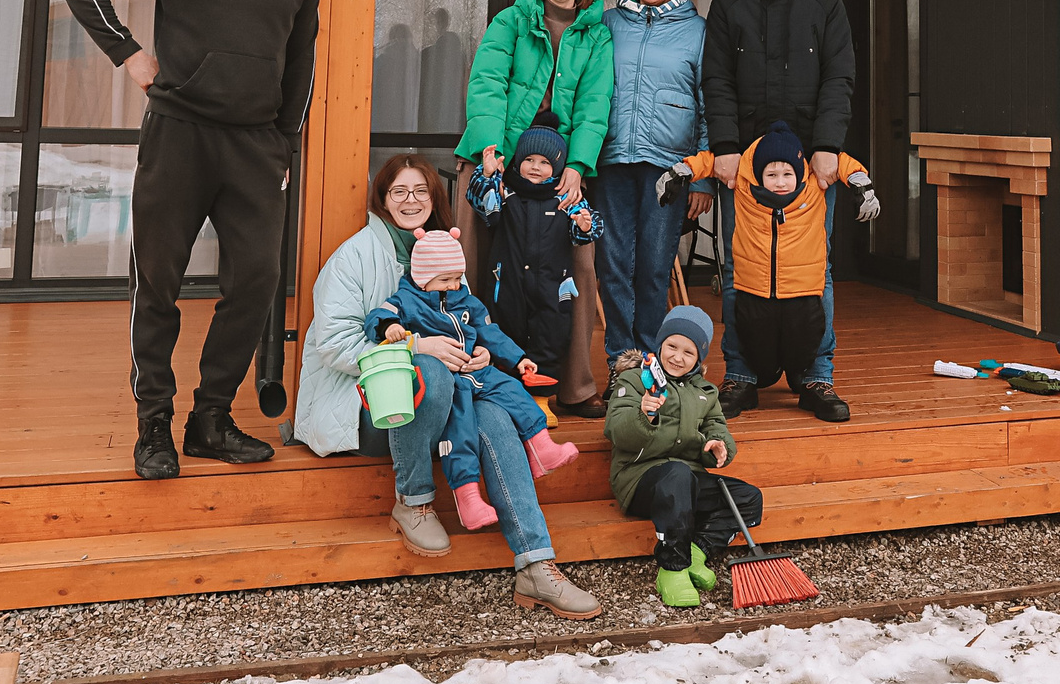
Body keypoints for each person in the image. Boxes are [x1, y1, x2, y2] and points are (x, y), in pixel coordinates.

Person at [63, 0, 320, 481]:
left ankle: (210, 419)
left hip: (256, 145)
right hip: (179, 135)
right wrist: (129, 55)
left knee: (257, 281)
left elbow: (301, 58)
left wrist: (285, 143)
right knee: (158, 283)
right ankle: (154, 425)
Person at [296, 155, 602, 619]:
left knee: (496, 413)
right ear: (382, 199)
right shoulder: (354, 257)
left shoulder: (441, 252)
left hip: (449, 399)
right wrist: (421, 347)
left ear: (435, 200)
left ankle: (536, 563)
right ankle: (413, 501)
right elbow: (334, 345)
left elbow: (469, 325)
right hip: (370, 404)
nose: (411, 200)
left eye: (421, 191)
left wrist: (478, 353)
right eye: (399, 191)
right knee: (432, 372)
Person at [700, 0, 855, 417]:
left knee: (818, 270)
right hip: (741, 164)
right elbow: (716, 80)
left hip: (811, 166)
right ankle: (741, 373)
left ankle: (816, 377)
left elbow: (839, 78)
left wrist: (828, 146)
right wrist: (722, 146)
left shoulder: (825, 3)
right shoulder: (729, 4)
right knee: (737, 265)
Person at [457, 0, 614, 410]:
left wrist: (579, 167)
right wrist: (491, 152)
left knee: (578, 270)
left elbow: (594, 105)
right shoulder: (511, 20)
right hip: (497, 159)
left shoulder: (597, 36)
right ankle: (471, 376)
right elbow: (487, 83)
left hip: (558, 169)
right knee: (472, 265)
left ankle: (574, 386)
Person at [661, 121, 876, 421]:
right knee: (756, 347)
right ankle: (744, 379)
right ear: (758, 176)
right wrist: (682, 172)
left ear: (799, 173)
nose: (780, 182)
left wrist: (862, 184)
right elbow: (709, 162)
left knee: (805, 343)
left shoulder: (812, 185)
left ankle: (815, 381)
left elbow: (842, 164)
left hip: (804, 297)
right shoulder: (745, 188)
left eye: (788, 174)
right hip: (755, 294)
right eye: (771, 175)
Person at [365, 230, 578, 532]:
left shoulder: (466, 301)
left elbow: (491, 333)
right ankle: (468, 499)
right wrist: (391, 328)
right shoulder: (406, 301)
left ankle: (542, 446)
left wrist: (518, 359)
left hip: (478, 370)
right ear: (423, 277)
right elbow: (377, 316)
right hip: (450, 382)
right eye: (446, 279)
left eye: (457, 277)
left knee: (514, 390)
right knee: (461, 431)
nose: (454, 285)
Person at [595, 0, 710, 372]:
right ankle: (621, 360)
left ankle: (652, 361)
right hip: (613, 162)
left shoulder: (698, 31)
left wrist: (701, 178)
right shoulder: (608, 24)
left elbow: (707, 107)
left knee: (654, 266)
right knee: (613, 264)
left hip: (671, 169)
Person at [606, 304, 761, 609]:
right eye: (672, 346)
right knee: (676, 473)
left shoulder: (705, 391)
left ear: (699, 359)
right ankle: (672, 567)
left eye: (688, 352)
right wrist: (644, 414)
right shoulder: (636, 381)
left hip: (687, 480)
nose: (677, 357)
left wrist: (719, 446)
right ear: (659, 345)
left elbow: (718, 427)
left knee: (748, 498)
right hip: (641, 479)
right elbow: (616, 429)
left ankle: (696, 551)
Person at [469, 126, 605, 397]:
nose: (535, 167)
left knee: (550, 337)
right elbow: (483, 206)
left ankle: (542, 401)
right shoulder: (506, 193)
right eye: (529, 160)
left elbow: (589, 229)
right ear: (518, 162)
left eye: (545, 162)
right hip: (506, 285)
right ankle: (505, 396)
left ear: (556, 167)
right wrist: (486, 175)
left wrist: (585, 226)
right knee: (505, 334)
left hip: (551, 288)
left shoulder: (564, 199)